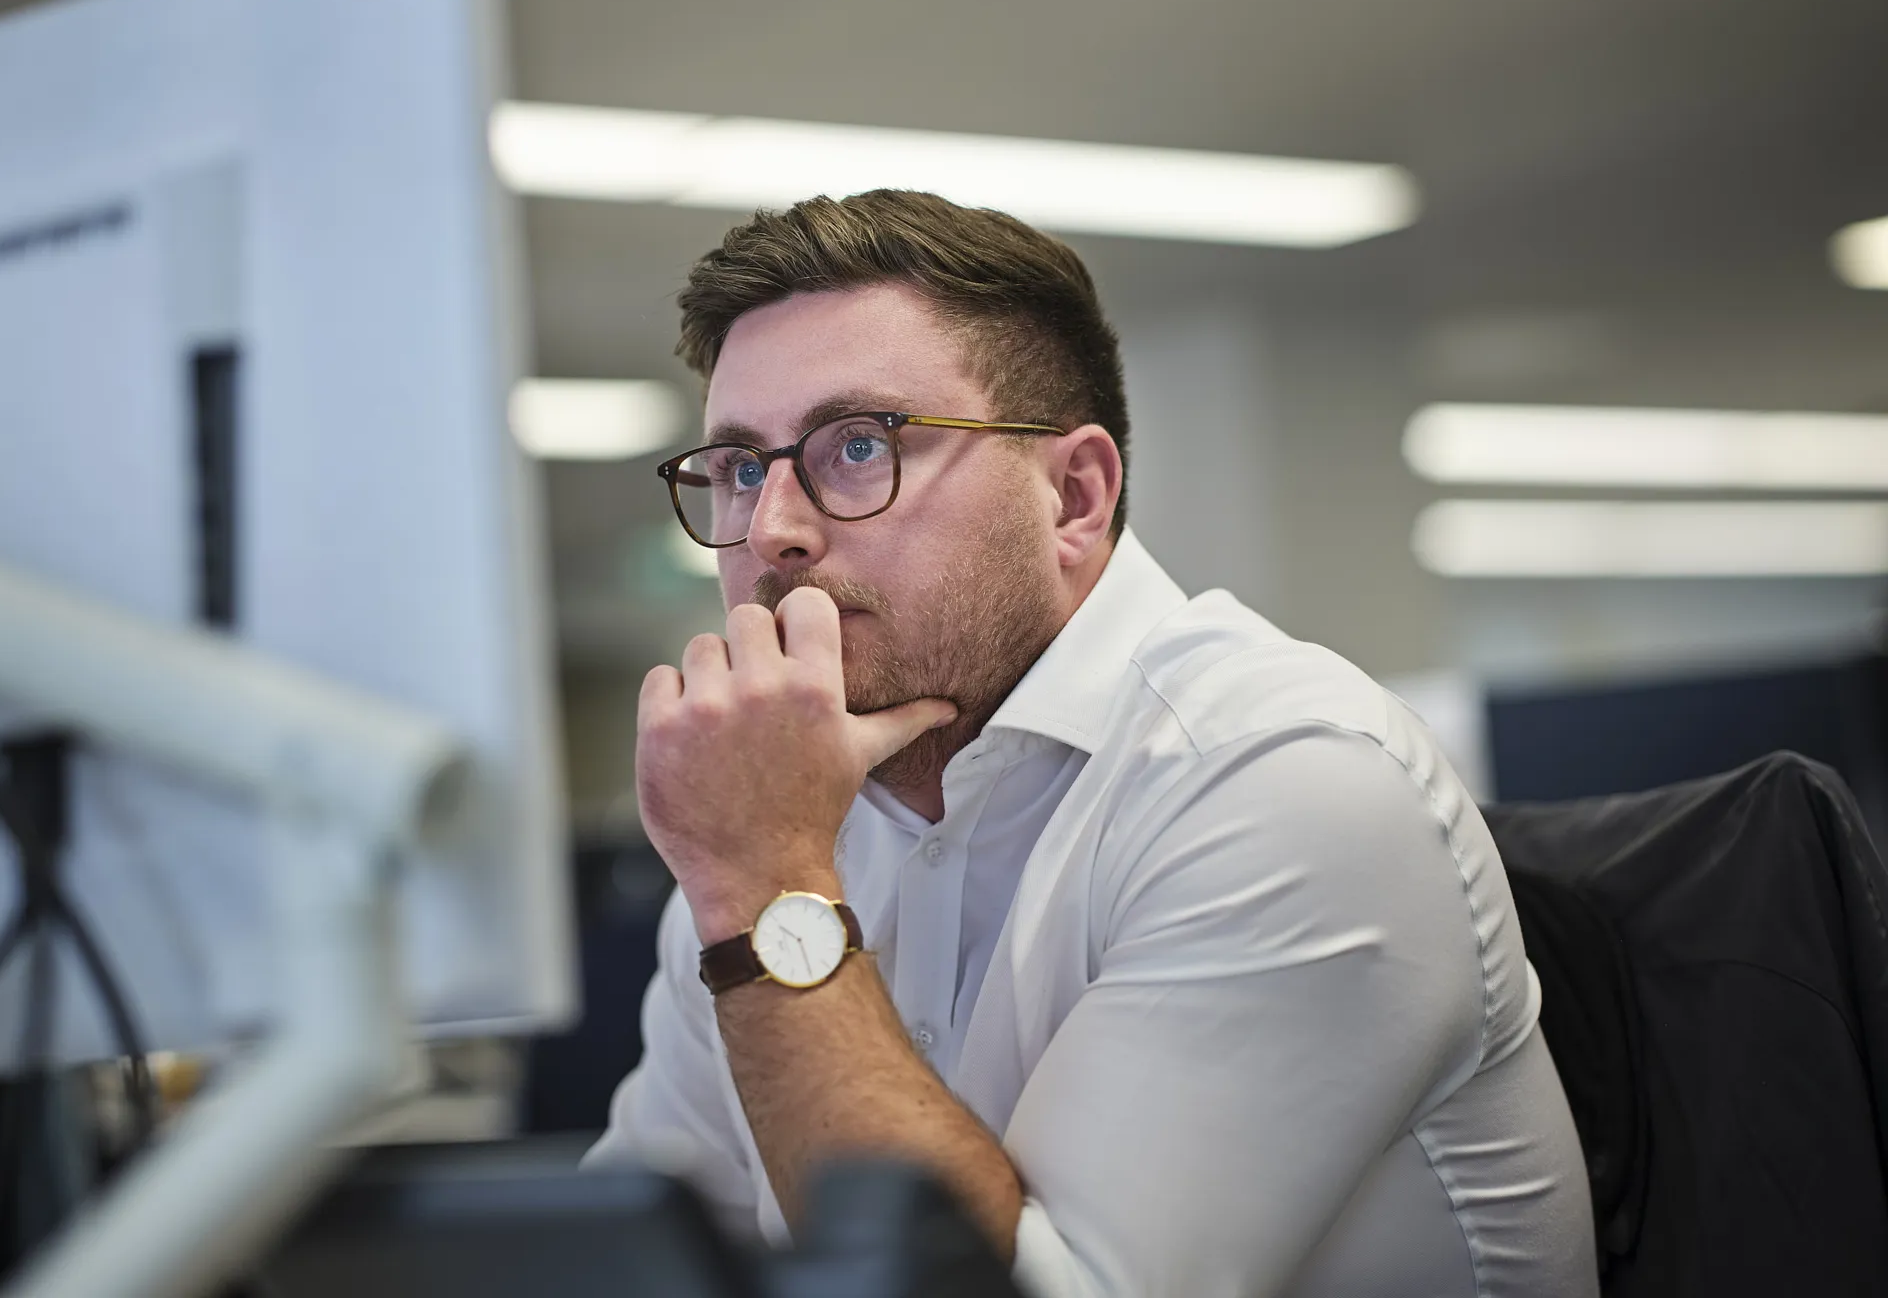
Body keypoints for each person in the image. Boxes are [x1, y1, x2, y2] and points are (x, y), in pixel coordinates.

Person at [584, 190, 1597, 1298]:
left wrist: (766, 887)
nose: (772, 527)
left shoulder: (1285, 778)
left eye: (859, 445)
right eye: (737, 467)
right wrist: (760, 874)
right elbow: (641, 1259)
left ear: (1073, 496)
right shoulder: (778, 820)